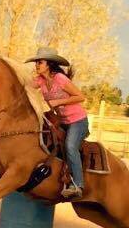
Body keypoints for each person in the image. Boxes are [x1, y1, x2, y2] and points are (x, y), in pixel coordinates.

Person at [26, 46, 89, 199]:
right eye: (36, 62)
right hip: (62, 121)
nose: (37, 65)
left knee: (70, 146)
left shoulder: (60, 79)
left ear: (49, 64)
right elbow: (24, 86)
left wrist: (59, 101)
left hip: (77, 121)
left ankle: (78, 185)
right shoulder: (40, 81)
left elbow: (80, 97)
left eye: (40, 62)